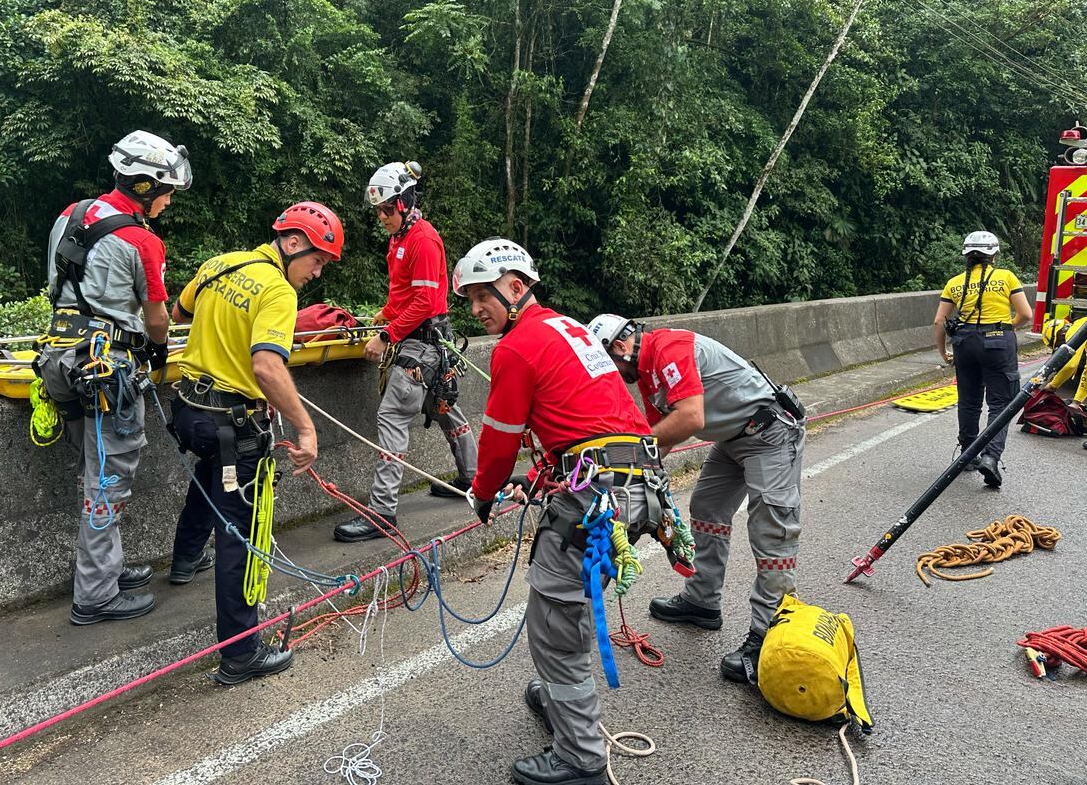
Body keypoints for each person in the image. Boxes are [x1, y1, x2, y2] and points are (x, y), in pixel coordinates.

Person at [457, 239, 664, 785]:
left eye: (483, 296)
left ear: (516, 287)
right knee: (567, 609)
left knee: (554, 625)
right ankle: (560, 702)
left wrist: (485, 492)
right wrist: (542, 478)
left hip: (594, 497)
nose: (476, 309)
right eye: (471, 299)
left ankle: (580, 758)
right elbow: (585, 415)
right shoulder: (568, 329)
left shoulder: (516, 347)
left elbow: (499, 438)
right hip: (634, 484)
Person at [168, 202, 343, 685]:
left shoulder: (218, 264)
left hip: (188, 411)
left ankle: (184, 559)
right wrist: (306, 428)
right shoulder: (278, 292)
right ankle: (240, 653)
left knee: (209, 477)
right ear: (292, 243)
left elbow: (178, 312)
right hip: (231, 423)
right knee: (240, 536)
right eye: (317, 259)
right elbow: (267, 366)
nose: (317, 271)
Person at [588, 313, 806, 685]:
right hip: (735, 438)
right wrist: (627, 475)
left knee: (772, 531)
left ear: (620, 347)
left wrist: (628, 456)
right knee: (707, 507)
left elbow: (689, 418)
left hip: (769, 433)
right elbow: (662, 438)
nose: (613, 375)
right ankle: (703, 601)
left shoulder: (670, 348)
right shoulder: (647, 374)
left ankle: (768, 636)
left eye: (608, 363)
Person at [37, 129, 191, 626]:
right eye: (165, 191)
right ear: (145, 186)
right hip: (107, 371)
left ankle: (107, 568)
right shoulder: (141, 240)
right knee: (107, 480)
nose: (168, 201)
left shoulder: (73, 214)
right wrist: (160, 350)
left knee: (95, 472)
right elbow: (157, 318)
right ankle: (96, 596)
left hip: (60, 359)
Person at [334, 161, 478, 543]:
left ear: (406, 201)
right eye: (378, 211)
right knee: (445, 409)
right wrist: (380, 317)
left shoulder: (423, 239)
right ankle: (474, 480)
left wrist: (386, 334)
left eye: (387, 209)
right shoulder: (400, 239)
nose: (381, 217)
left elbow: (427, 301)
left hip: (422, 342)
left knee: (393, 416)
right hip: (419, 339)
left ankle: (382, 513)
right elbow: (403, 296)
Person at [933, 230, 1032, 488]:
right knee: (1001, 403)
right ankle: (990, 457)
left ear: (966, 255)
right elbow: (1025, 314)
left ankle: (968, 454)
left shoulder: (954, 283)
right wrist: (1003, 328)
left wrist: (944, 352)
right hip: (998, 341)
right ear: (994, 256)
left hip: (964, 343)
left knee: (969, 401)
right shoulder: (1006, 277)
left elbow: (939, 321)